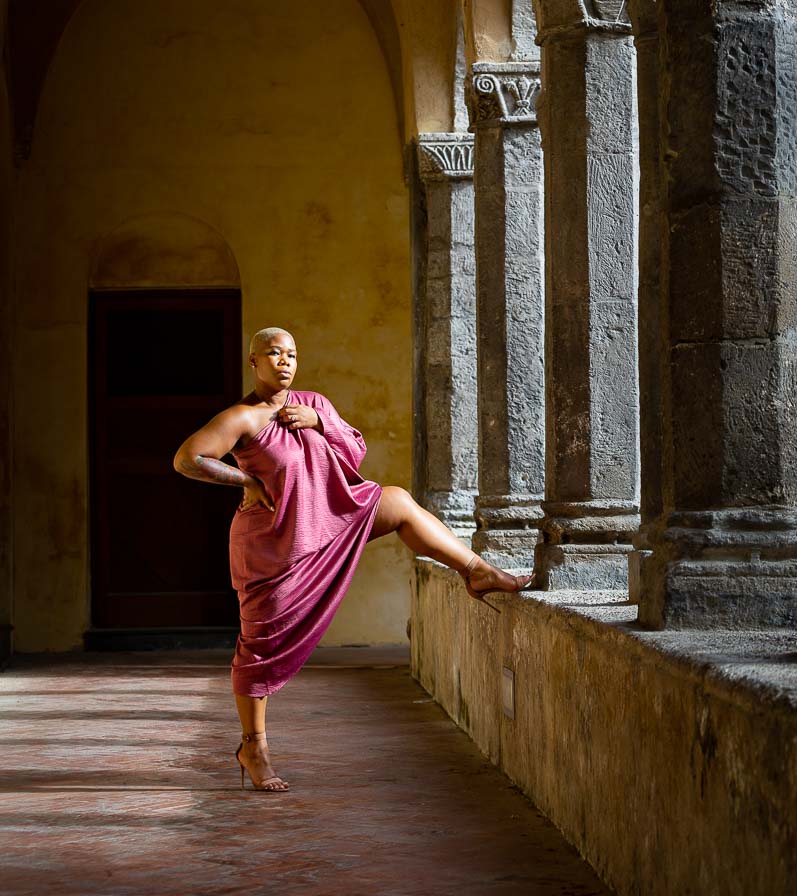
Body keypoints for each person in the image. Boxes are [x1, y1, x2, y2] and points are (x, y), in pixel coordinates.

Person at [173, 327, 531, 792]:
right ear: (254, 362)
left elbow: (355, 451)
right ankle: (254, 747)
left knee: (398, 501)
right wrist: (244, 481)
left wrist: (323, 424)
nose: (285, 361)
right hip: (273, 544)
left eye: (292, 354)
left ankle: (475, 570)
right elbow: (188, 458)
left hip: (331, 514)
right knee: (259, 644)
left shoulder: (313, 403)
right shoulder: (242, 417)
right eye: (274, 353)